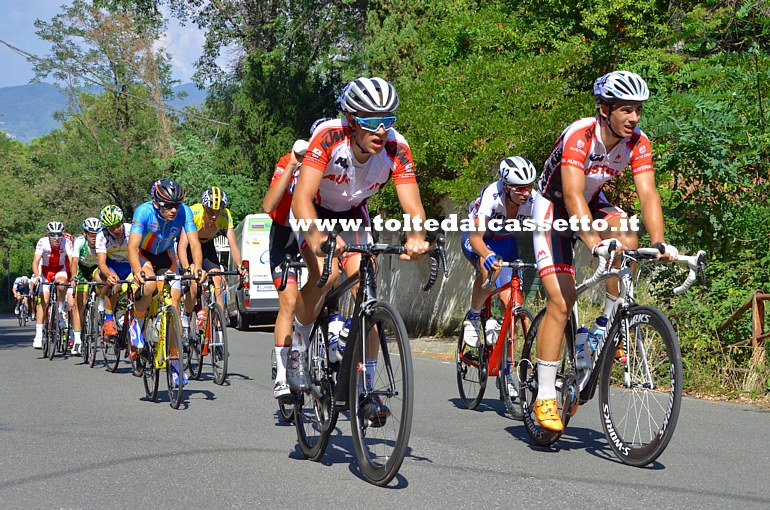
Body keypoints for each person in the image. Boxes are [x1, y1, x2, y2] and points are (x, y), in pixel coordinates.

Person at [531, 70, 679, 431]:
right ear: (604, 109)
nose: (635, 118)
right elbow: (570, 195)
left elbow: (648, 193)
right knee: (561, 302)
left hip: (592, 202)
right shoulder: (580, 135)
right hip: (553, 209)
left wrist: (659, 242)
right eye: (627, 110)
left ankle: (605, 325)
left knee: (628, 236)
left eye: (639, 110)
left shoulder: (637, 142)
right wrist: (593, 242)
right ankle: (545, 395)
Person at [289, 77, 430, 423]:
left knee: (365, 287)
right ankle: (299, 348)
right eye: (370, 120)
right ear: (351, 120)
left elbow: (413, 205)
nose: (381, 129)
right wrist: (320, 238)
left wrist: (416, 235)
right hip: (314, 209)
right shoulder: (329, 136)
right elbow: (301, 199)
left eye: (389, 120)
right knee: (328, 274)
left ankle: (366, 388)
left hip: (353, 213)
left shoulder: (398, 147)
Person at [128, 178, 203, 379]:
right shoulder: (143, 212)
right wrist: (137, 271)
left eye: (176, 205)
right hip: (144, 254)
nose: (173, 210)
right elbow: (133, 247)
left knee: (174, 303)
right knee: (150, 284)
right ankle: (138, 322)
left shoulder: (184, 212)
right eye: (168, 206)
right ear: (156, 204)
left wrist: (197, 267)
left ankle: (175, 362)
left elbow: (194, 243)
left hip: (165, 256)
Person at [461, 156, 537, 346]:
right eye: (519, 188)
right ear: (505, 187)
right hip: (480, 239)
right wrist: (487, 255)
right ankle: (474, 317)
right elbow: (476, 238)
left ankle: (505, 360)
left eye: (529, 186)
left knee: (512, 304)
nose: (526, 193)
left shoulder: (533, 200)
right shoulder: (492, 195)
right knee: (490, 271)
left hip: (505, 242)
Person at [262, 135, 313, 398]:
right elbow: (268, 205)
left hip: (310, 231)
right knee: (289, 302)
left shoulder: (324, 164)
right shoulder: (287, 161)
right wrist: (292, 165)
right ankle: (282, 375)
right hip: (284, 237)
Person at [178, 186, 246, 336]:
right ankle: (186, 318)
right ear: (204, 207)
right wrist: (186, 268)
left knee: (217, 283)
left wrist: (240, 265)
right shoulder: (194, 212)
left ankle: (219, 330)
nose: (214, 216)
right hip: (190, 246)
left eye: (218, 212)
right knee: (194, 285)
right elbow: (182, 247)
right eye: (210, 211)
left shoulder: (225, 216)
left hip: (208, 247)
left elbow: (233, 245)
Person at [31, 221, 74, 349]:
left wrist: (74, 275)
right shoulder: (42, 242)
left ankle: (60, 310)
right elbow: (35, 262)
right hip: (45, 271)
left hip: (60, 269)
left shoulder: (67, 241)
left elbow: (72, 260)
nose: (56, 238)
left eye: (59, 235)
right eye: (53, 235)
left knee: (62, 285)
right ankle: (38, 336)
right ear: (48, 235)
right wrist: (37, 276)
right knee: (43, 301)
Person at [94, 205, 132, 337]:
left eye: (117, 225)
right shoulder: (101, 236)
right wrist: (109, 275)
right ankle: (108, 320)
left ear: (122, 222)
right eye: (110, 228)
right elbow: (101, 263)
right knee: (114, 283)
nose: (115, 230)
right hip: (112, 266)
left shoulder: (131, 230)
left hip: (129, 264)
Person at [69, 217, 103, 355]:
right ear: (85, 233)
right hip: (82, 269)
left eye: (97, 233)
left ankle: (100, 303)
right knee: (80, 304)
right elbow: (74, 261)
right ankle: (77, 340)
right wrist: (74, 277)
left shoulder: (103, 241)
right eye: (91, 234)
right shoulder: (79, 242)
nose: (94, 237)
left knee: (101, 280)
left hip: (96, 267)